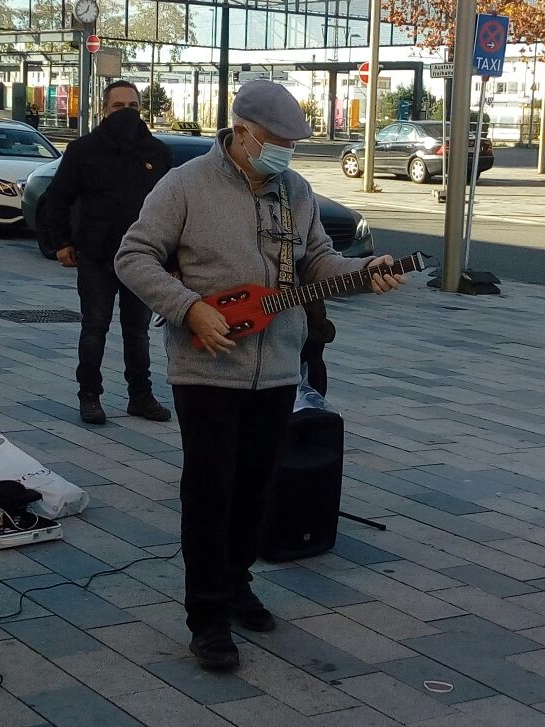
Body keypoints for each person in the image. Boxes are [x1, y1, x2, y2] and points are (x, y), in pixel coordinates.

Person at [116, 80, 405, 672]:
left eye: (291, 145)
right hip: (207, 366)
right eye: (274, 142)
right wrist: (188, 307)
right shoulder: (185, 185)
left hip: (276, 367)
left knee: (257, 489)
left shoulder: (295, 191)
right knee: (209, 491)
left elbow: (317, 261)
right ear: (241, 132)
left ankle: (236, 581)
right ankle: (207, 618)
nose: (284, 154)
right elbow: (133, 255)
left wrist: (364, 270)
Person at [40, 80, 173, 424]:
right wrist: (63, 243)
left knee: (138, 331)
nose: (126, 113)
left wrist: (173, 259)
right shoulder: (83, 150)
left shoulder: (156, 153)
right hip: (96, 255)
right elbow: (58, 197)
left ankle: (140, 396)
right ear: (104, 110)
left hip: (143, 259)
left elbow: (172, 210)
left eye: (132, 106)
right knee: (94, 327)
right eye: (118, 106)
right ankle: (90, 395)